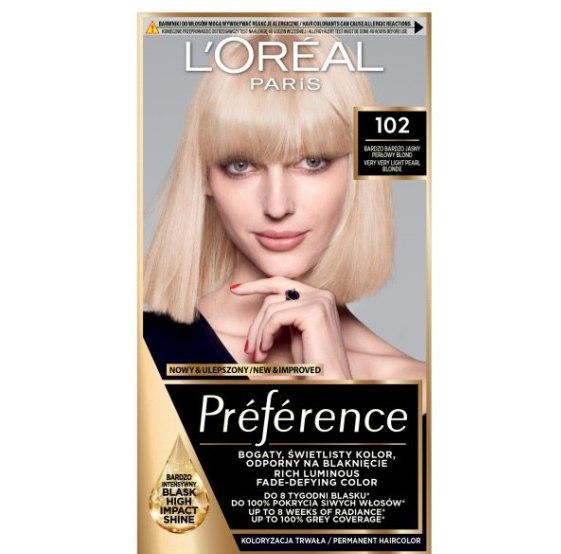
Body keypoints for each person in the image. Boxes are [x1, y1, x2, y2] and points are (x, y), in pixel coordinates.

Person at [143, 34, 425, 384]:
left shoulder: (424, 389)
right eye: (241, 165)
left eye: (312, 162)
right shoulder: (138, 357)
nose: (277, 207)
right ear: (204, 177)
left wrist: (334, 387)